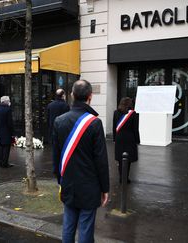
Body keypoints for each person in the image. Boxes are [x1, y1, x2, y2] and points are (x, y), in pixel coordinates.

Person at [52, 79, 109, 243]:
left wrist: (60, 180)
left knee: (68, 226)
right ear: (90, 97)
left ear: (71, 95)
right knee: (85, 229)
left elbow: (55, 156)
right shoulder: (95, 123)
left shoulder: (59, 121)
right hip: (89, 186)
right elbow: (101, 161)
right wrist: (105, 188)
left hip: (68, 183)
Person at [113, 97, 140, 184]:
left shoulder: (116, 112)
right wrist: (137, 140)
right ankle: (126, 178)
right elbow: (135, 129)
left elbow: (114, 127)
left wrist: (114, 139)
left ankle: (121, 178)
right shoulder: (133, 114)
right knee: (128, 160)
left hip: (119, 138)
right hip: (130, 139)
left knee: (121, 160)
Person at [0, 96, 14, 168]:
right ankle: (5, 163)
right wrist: (12, 133)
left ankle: (1, 162)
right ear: (6, 101)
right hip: (7, 131)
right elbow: (10, 123)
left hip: (0, 131)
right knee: (6, 148)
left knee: (1, 147)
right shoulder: (8, 109)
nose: (9, 102)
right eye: (8, 100)